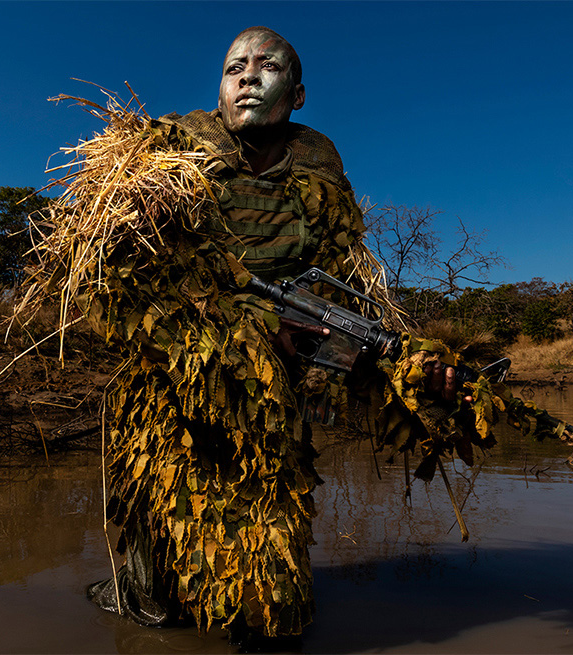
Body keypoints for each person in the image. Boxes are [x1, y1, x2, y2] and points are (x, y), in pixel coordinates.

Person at [83, 26, 461, 644]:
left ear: (299, 92)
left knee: (268, 575)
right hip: (173, 385)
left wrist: (391, 374)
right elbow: (118, 281)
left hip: (273, 394)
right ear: (221, 86)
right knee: (157, 567)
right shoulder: (170, 154)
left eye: (269, 66)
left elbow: (340, 298)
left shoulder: (318, 168)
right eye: (236, 66)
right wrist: (245, 325)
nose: (249, 76)